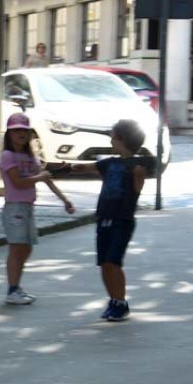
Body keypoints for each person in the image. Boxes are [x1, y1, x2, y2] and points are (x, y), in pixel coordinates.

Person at [70, 119, 148, 321]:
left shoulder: (136, 166)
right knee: (104, 263)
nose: (111, 139)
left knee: (114, 262)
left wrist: (138, 174)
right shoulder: (110, 163)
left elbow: (138, 189)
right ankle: (113, 300)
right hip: (103, 218)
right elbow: (87, 167)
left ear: (121, 139)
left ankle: (121, 302)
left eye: (113, 136)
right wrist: (68, 165)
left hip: (122, 220)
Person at [0, 113, 74, 305]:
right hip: (15, 208)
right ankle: (12, 289)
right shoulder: (7, 156)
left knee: (26, 248)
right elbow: (18, 182)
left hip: (28, 207)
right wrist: (39, 177)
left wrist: (64, 199)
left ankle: (16, 286)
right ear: (9, 134)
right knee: (17, 248)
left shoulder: (29, 157)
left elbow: (46, 178)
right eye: (16, 131)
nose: (21, 134)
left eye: (24, 131)